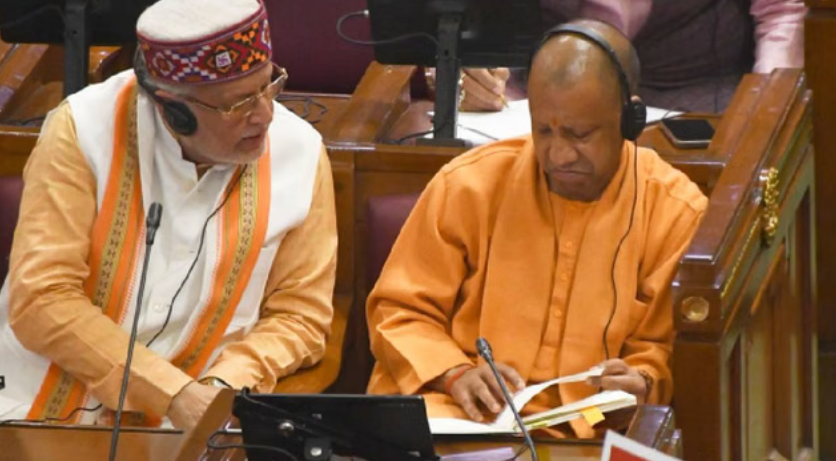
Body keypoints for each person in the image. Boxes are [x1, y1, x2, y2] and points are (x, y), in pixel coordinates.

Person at [0, 0, 337, 430]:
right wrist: (171, 393)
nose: (265, 115)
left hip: (196, 428)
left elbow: (299, 317)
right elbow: (41, 298)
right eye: (237, 104)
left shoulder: (301, 152)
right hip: (37, 411)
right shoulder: (82, 131)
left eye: (269, 85)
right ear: (170, 108)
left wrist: (222, 386)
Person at [367, 19, 708, 438]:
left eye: (580, 134)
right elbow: (398, 312)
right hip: (461, 413)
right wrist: (454, 373)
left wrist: (640, 383)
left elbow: (667, 355)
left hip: (588, 426)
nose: (559, 155)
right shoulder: (469, 185)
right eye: (544, 130)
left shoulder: (673, 211)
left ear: (628, 118)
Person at [454, 0, 806, 113]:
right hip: (537, 98)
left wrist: (765, 108)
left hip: (692, 106)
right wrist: (463, 79)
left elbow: (781, 12)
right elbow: (457, 22)